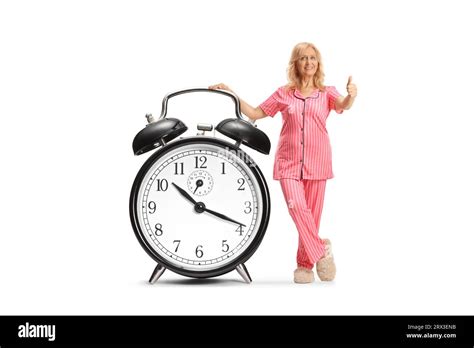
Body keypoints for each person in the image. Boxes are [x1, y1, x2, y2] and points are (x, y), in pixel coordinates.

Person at [209, 42, 357, 284]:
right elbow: (256, 113)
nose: (308, 62)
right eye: (303, 58)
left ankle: (304, 266)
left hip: (318, 162)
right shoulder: (284, 93)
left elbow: (343, 105)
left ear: (318, 63)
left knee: (311, 217)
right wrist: (232, 93)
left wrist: (351, 95)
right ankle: (321, 250)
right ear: (295, 63)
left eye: (312, 58)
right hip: (288, 161)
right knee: (297, 207)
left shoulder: (327, 92)